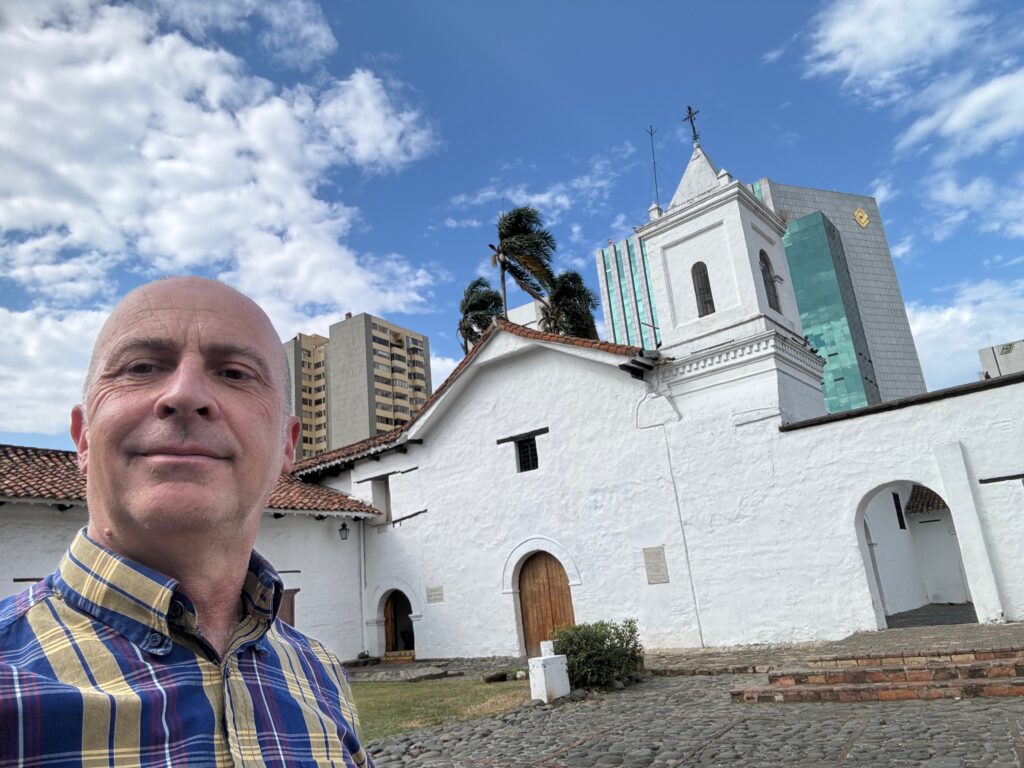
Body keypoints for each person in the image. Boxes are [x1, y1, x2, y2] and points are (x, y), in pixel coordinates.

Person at [0, 276, 374, 767]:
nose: (184, 394)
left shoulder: (318, 671)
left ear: (288, 444)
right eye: (141, 367)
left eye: (236, 373)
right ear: (83, 437)